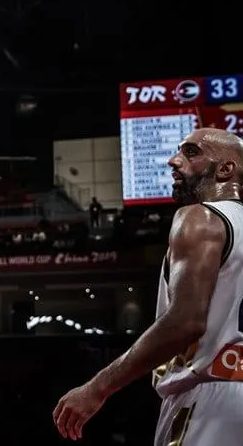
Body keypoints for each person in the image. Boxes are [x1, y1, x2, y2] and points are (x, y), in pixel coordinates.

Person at [53, 127, 243, 445]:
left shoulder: (200, 217)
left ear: (225, 169)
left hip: (211, 400)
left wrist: (98, 386)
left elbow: (186, 322)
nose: (173, 161)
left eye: (191, 152)